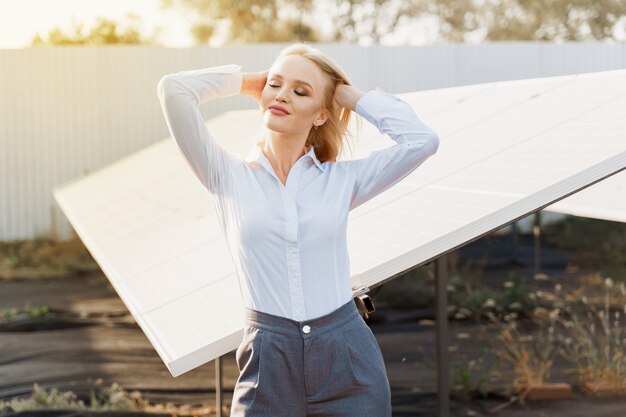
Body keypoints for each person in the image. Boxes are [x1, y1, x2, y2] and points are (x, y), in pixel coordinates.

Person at [157, 42, 440, 417]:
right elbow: (174, 89)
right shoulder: (225, 175)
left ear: (321, 115)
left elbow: (422, 141)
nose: (282, 96)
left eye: (301, 91)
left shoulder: (341, 181)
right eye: (276, 85)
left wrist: (345, 95)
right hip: (267, 363)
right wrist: (249, 82)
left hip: (347, 357)